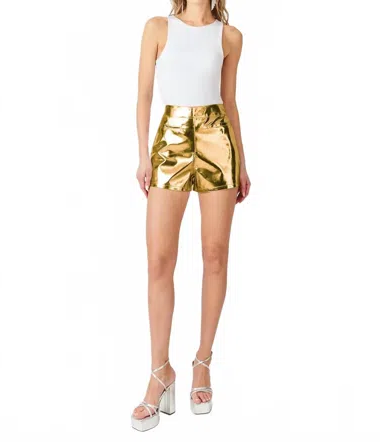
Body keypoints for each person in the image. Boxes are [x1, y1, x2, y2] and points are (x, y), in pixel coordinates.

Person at [131, 0, 250, 431]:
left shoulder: (230, 36)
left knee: (215, 256)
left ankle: (202, 363)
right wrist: (143, 156)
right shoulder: (157, 27)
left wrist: (242, 163)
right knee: (159, 261)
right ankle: (159, 372)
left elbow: (229, 101)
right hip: (171, 142)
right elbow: (144, 94)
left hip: (219, 143)